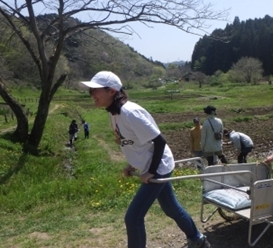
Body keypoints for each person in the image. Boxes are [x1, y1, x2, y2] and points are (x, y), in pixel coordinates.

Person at [79, 71, 210, 248]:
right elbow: (135, 142)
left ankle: (197, 238)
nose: (91, 94)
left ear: (111, 91)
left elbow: (159, 141)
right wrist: (133, 164)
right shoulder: (114, 114)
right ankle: (198, 239)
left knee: (133, 217)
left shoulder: (130, 113)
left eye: (95, 90)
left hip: (159, 166)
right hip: (151, 164)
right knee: (171, 208)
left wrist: (151, 171)